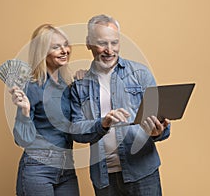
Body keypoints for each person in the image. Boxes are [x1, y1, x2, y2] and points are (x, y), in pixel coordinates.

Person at [9, 24, 128, 196]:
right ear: (42, 51)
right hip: (38, 168)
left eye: (65, 45)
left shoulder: (69, 84)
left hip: (66, 168)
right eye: (56, 47)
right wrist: (25, 113)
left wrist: (103, 123)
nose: (64, 50)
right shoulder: (32, 86)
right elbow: (21, 140)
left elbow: (76, 129)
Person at [70, 14, 171, 196]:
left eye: (114, 43)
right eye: (102, 43)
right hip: (104, 178)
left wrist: (159, 132)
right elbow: (76, 131)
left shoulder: (140, 74)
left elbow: (162, 124)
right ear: (88, 43)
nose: (110, 50)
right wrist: (102, 123)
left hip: (142, 173)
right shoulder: (80, 84)